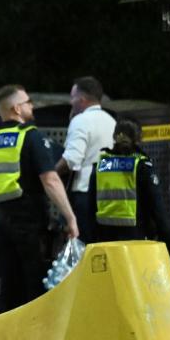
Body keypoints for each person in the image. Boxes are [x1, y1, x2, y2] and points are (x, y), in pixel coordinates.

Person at [0, 84, 79, 314]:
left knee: (8, 291)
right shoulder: (31, 136)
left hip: (0, 227)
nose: (32, 106)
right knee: (35, 293)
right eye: (28, 102)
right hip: (30, 226)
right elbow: (50, 180)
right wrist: (70, 219)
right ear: (17, 109)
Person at [89, 119, 170, 267]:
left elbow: (90, 207)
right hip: (136, 238)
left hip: (105, 240)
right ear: (138, 138)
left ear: (114, 137)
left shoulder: (101, 165)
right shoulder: (142, 166)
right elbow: (157, 209)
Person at [55, 76, 116, 244]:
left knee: (83, 248)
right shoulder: (111, 121)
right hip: (108, 194)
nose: (71, 102)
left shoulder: (81, 121)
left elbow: (72, 160)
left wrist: (51, 174)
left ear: (82, 99)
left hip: (84, 194)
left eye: (72, 97)